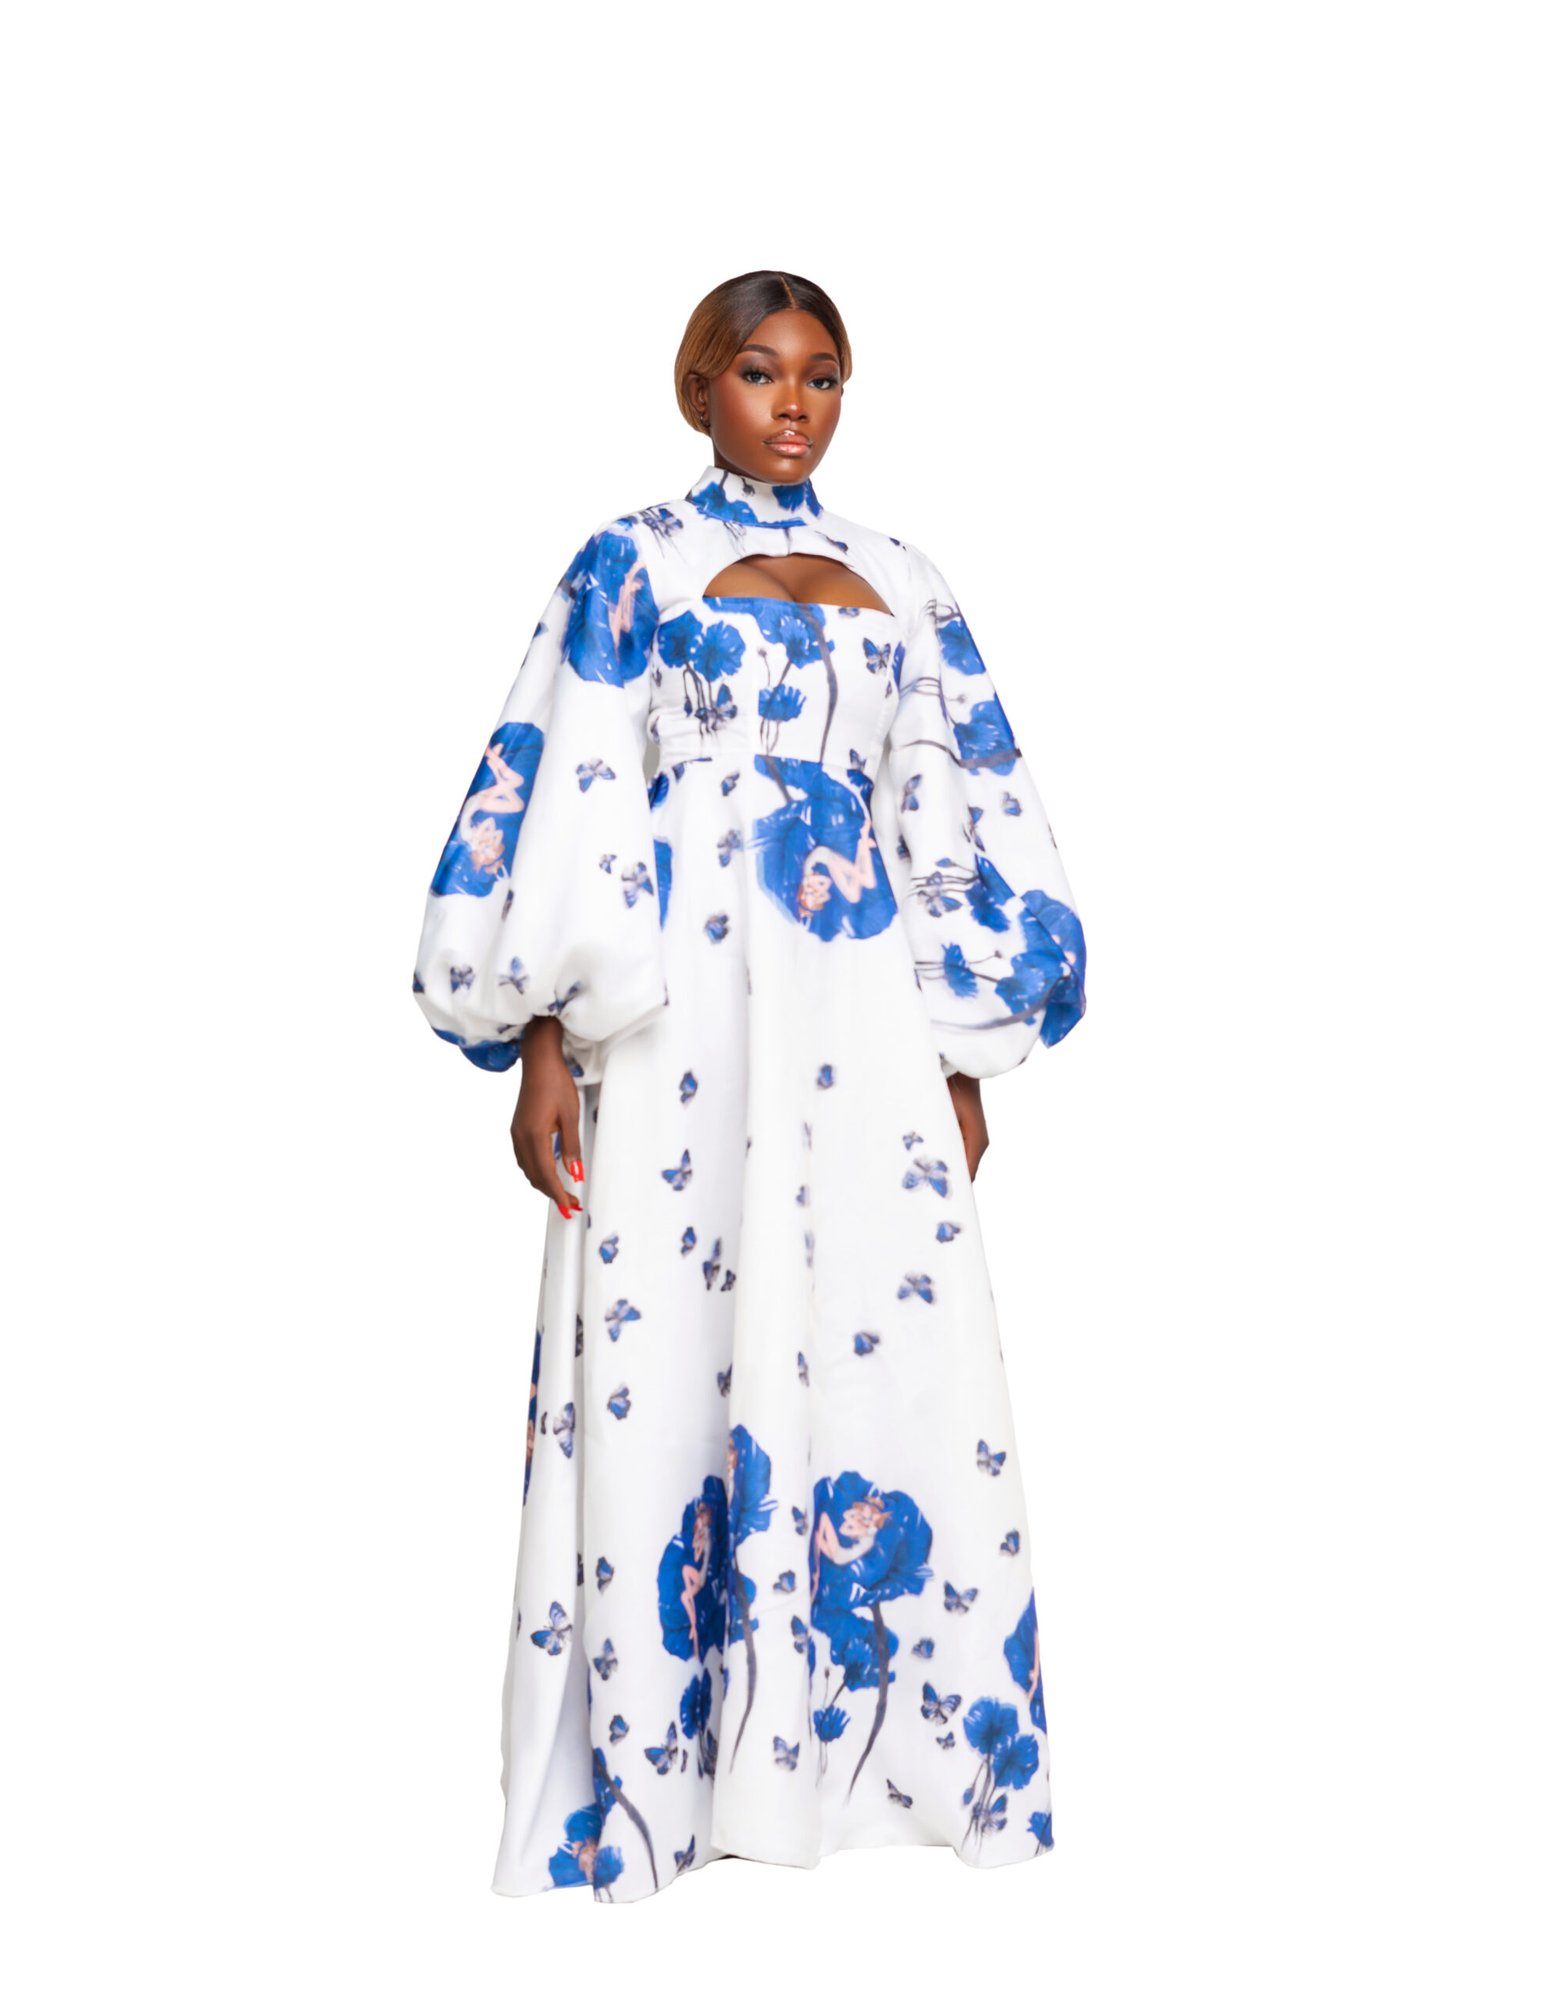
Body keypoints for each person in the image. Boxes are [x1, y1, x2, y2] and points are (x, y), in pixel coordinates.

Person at [411, 269, 1087, 1903]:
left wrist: (962, 1049)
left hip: (861, 1020)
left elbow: (953, 805)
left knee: (881, 1339)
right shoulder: (631, 561)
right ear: (699, 387)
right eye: (761, 371)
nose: (794, 404)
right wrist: (547, 1038)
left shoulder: (905, 579)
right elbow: (568, 788)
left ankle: (870, 1764)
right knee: (666, 1343)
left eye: (824, 375)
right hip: (675, 1015)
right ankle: (649, 1793)